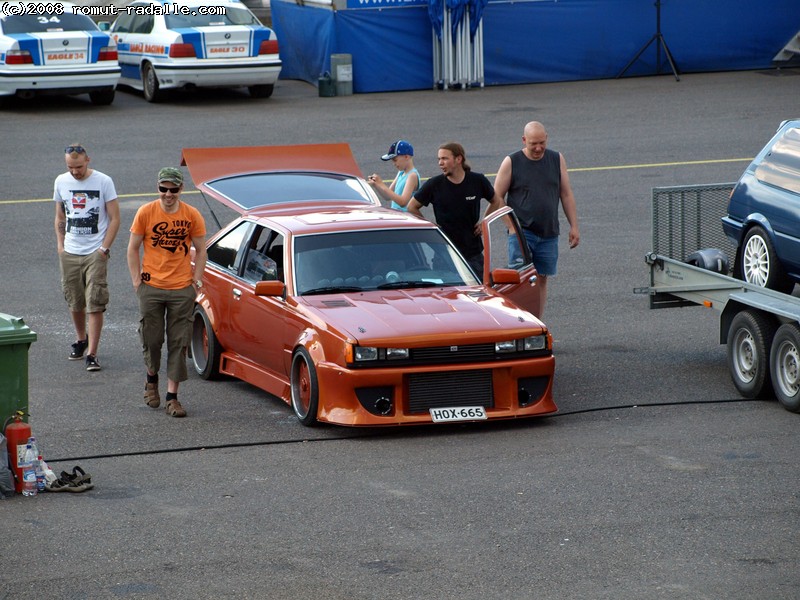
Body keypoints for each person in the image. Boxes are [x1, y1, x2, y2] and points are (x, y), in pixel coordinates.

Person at [126, 168, 207, 418]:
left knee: (179, 342)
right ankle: (151, 377)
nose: (168, 194)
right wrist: (137, 281)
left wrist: (196, 281)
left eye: (173, 189)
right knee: (151, 339)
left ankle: (172, 397)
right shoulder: (146, 212)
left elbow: (202, 250)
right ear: (158, 188)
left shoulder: (192, 215)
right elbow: (133, 248)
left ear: (181, 189)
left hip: (181, 288)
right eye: (163, 189)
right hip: (151, 287)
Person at [493, 121, 580, 317]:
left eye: (542, 142)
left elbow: (566, 194)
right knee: (520, 280)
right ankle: (516, 321)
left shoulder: (556, 159)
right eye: (533, 143)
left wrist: (574, 226)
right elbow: (496, 196)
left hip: (549, 233)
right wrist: (511, 226)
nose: (538, 148)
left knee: (541, 278)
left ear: (547, 138)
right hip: (522, 232)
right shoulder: (512, 161)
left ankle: (537, 322)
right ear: (524, 140)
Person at [53, 143, 121, 372]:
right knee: (74, 299)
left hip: (95, 253)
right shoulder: (61, 181)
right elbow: (60, 215)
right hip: (70, 252)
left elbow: (115, 218)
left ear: (88, 160)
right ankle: (81, 339)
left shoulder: (104, 181)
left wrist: (104, 249)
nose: (75, 172)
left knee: (95, 302)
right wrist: (60, 246)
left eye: (79, 167)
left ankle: (92, 353)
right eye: (70, 167)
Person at [407, 142, 504, 275]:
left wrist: (484, 222)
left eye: (445, 158)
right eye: (439, 159)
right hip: (444, 254)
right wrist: (432, 228)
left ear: (458, 159)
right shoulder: (434, 184)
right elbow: (412, 206)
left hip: (472, 254)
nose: (440, 163)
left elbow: (496, 200)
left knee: (478, 292)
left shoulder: (477, 181)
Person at [367, 139, 421, 211]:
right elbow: (387, 196)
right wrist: (377, 185)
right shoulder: (400, 173)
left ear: (406, 157)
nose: (394, 164)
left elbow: (403, 202)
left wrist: (382, 184)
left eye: (395, 160)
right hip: (398, 216)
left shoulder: (412, 176)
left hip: (406, 218)